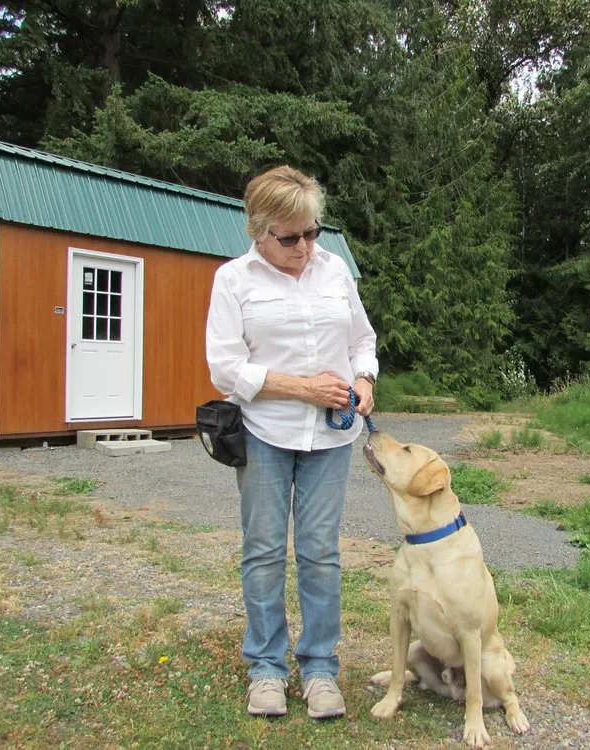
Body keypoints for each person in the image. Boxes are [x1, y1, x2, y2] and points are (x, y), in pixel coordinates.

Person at [206, 165, 378, 720]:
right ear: (259, 230)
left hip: (331, 438)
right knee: (262, 551)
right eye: (289, 237)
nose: (304, 247)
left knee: (321, 553)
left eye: (312, 232)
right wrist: (300, 387)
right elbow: (224, 367)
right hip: (264, 433)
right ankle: (266, 668)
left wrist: (364, 380)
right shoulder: (234, 280)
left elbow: (362, 339)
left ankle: (321, 668)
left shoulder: (336, 272)